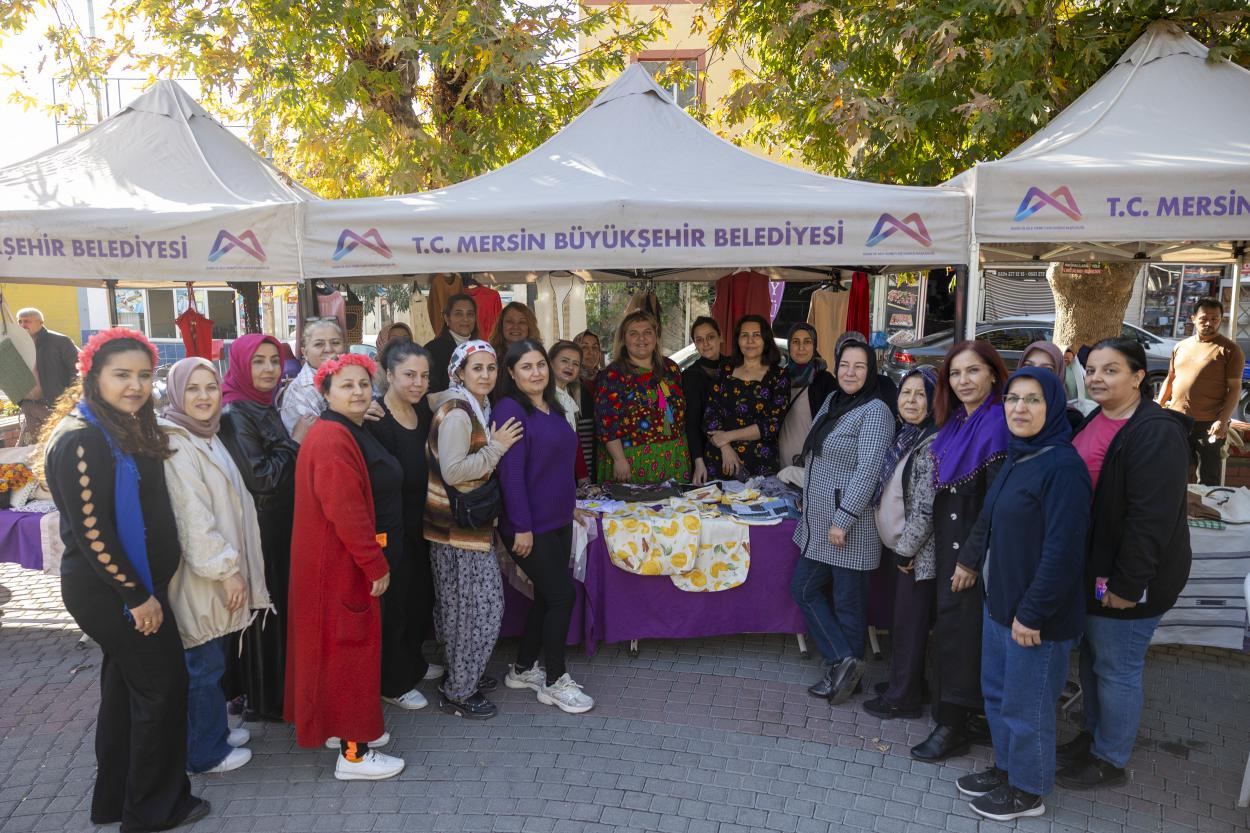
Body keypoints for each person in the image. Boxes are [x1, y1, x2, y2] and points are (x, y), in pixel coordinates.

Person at [40, 328, 209, 831]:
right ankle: (153, 809)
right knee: (162, 688)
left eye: (143, 375)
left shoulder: (116, 426)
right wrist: (136, 597)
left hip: (128, 589)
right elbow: (93, 535)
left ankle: (115, 800)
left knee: (127, 691)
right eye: (121, 375)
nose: (135, 385)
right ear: (92, 376)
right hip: (114, 594)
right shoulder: (82, 438)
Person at [953, 367, 1091, 822]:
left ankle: (1029, 791)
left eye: (1033, 400)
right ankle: (1008, 770)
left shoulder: (1063, 467)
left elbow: (1064, 552)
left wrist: (1032, 613)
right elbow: (990, 519)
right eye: (1013, 399)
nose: (1019, 408)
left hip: (1035, 619)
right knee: (997, 696)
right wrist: (971, 563)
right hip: (1001, 606)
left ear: (1053, 407)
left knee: (1027, 706)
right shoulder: (1020, 455)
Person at [1056, 338, 1192, 790]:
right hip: (1096, 573)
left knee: (1116, 668)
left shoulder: (1155, 432)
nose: (1097, 378)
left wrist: (1128, 585)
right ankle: (1093, 735)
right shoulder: (1098, 417)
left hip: (1128, 579)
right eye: (1092, 369)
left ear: (1138, 377)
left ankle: (1109, 759)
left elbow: (1150, 521)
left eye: (1111, 370)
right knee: (1095, 660)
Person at [285, 353, 405, 781]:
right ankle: (354, 754)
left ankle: (341, 730)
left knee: (336, 655)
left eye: (363, 384)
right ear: (326, 392)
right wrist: (374, 564)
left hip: (328, 564)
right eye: (346, 385)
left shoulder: (333, 431)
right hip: (338, 566)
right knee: (352, 655)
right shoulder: (334, 439)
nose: (358, 392)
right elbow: (347, 512)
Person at [160, 358, 271, 776]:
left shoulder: (205, 434)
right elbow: (192, 518)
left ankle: (214, 733)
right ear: (177, 393)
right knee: (203, 666)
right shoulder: (177, 443)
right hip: (203, 574)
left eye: (211, 387)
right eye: (193, 389)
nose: (204, 396)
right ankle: (205, 753)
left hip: (217, 570)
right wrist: (226, 571)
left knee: (213, 660)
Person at [910, 340, 1010, 763]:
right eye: (955, 373)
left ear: (993, 374)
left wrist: (970, 559)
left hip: (973, 553)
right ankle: (960, 718)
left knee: (961, 636)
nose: (963, 380)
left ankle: (953, 725)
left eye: (973, 371)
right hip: (949, 545)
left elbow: (994, 504)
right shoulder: (955, 422)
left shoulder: (997, 423)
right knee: (953, 632)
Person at [791, 338, 894, 705]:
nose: (850, 372)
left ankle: (846, 675)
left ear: (871, 371)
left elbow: (868, 471)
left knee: (849, 604)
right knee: (804, 589)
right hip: (820, 524)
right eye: (845, 365)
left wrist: (844, 518)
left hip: (849, 528)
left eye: (859, 366)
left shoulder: (876, 411)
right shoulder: (834, 400)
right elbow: (817, 454)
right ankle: (844, 663)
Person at [495, 340, 596, 714]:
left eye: (540, 364)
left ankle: (523, 669)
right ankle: (554, 681)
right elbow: (511, 474)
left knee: (546, 595)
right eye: (526, 366)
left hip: (558, 520)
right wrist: (521, 527)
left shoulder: (553, 405)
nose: (536, 372)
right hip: (529, 525)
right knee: (561, 596)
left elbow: (556, 466)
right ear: (511, 373)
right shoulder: (509, 409)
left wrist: (570, 506)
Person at [425, 340, 523, 718]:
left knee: (457, 609)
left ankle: (461, 676)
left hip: (453, 527)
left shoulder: (475, 405)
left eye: (490, 368)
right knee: (482, 610)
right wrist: (496, 448)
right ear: (459, 372)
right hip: (459, 531)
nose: (485, 375)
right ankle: (460, 692)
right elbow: (453, 472)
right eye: (477, 368)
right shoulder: (458, 412)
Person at [218, 334, 299, 722]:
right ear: (240, 365)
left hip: (277, 525)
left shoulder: (262, 403)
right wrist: (293, 446)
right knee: (265, 613)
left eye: (274, 360)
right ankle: (263, 699)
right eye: (258, 361)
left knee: (276, 611)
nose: (269, 369)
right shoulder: (236, 411)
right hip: (261, 530)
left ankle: (273, 692)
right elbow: (262, 477)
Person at [366, 340, 442, 710]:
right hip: (391, 527)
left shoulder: (423, 411)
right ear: (389, 374)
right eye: (409, 375)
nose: (418, 383)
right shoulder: (376, 419)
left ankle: (412, 662)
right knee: (395, 604)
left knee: (419, 598)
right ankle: (392, 682)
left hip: (421, 523)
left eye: (424, 376)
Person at [863, 367, 939, 720]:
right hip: (900, 550)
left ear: (935, 401)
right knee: (903, 623)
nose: (911, 400)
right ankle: (907, 684)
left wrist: (907, 551)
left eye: (920, 394)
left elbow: (926, 508)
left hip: (915, 555)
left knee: (909, 627)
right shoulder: (907, 436)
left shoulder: (933, 443)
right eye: (906, 392)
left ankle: (903, 699)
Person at [594, 311, 691, 484]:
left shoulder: (671, 368)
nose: (641, 338)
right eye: (634, 333)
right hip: (631, 460)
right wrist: (619, 459)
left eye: (647, 332)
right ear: (624, 339)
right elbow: (606, 421)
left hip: (674, 456)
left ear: (656, 336)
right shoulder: (613, 375)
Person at [1157, 296, 1245, 485]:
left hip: (1209, 423)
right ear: (1193, 318)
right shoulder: (1180, 346)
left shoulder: (1230, 350)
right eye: (1204, 318)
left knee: (1208, 478)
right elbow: (1170, 379)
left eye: (1215, 319)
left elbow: (1235, 389)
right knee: (1171, 475)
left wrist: (1222, 420)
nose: (1209, 323)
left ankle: (1207, 505)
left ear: (1220, 320)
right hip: (1177, 420)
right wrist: (1158, 406)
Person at [702, 315, 790, 480]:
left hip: (759, 464)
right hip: (720, 460)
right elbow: (710, 414)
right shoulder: (725, 369)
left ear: (766, 340)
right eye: (744, 335)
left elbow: (772, 424)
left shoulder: (778, 376)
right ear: (737, 340)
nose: (750, 341)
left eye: (756, 335)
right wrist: (725, 446)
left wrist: (727, 436)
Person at [16, 306, 80, 444]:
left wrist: (68, 400)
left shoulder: (60, 341)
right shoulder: (17, 345)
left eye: (27, 321)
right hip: (29, 406)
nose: (22, 325)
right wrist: (21, 401)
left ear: (41, 322)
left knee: (61, 444)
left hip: (54, 406)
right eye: (19, 321)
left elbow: (77, 372)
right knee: (38, 447)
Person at [778, 323, 836, 470]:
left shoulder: (826, 381)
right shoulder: (779, 379)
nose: (801, 348)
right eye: (795, 342)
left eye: (807, 342)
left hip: (813, 465)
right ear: (789, 346)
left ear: (814, 345)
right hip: (779, 464)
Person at [280, 318, 347, 443]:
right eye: (319, 344)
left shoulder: (352, 376)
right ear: (305, 352)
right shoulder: (299, 392)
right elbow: (322, 441)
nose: (328, 349)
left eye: (335, 343)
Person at [682, 316, 725, 484]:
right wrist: (698, 461)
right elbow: (691, 423)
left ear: (720, 337)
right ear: (695, 344)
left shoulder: (734, 368)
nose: (705, 343)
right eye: (699, 340)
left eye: (710, 337)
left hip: (738, 450)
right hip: (705, 454)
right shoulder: (690, 376)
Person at [547, 339, 592, 484]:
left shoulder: (568, 396)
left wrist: (582, 475)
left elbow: (573, 440)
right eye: (564, 361)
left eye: (575, 363)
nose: (570, 367)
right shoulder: (542, 398)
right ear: (550, 363)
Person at [425, 293, 478, 394]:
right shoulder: (433, 350)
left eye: (470, 314)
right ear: (447, 318)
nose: (465, 319)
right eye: (459, 314)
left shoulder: (481, 349)